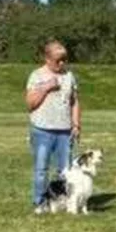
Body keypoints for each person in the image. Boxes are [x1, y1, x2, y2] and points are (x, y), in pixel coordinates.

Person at [25, 40, 81, 213]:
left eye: (64, 60)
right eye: (58, 60)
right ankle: (40, 202)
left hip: (65, 131)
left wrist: (76, 124)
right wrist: (46, 87)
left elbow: (75, 101)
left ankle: (62, 199)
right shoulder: (36, 76)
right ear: (47, 59)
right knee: (41, 170)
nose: (62, 63)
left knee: (65, 171)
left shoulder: (69, 76)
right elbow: (30, 104)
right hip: (42, 130)